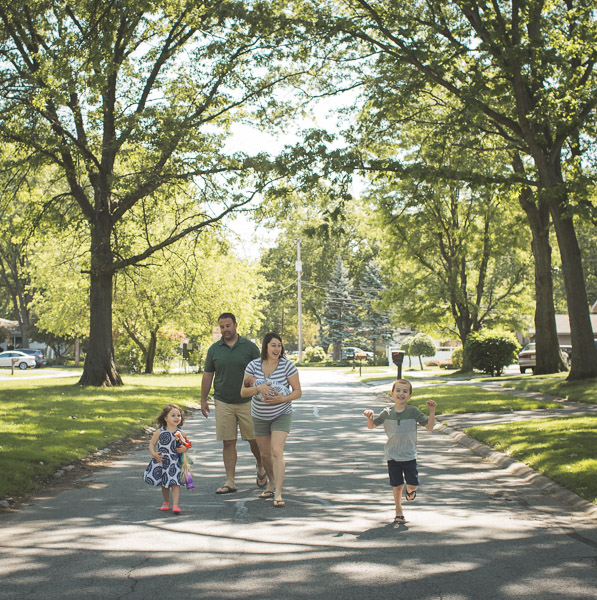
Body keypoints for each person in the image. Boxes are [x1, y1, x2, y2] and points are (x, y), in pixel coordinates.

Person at [201, 312, 267, 494]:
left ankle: (261, 465)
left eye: (228, 326)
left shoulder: (249, 347)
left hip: (248, 401)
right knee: (228, 442)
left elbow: (262, 370)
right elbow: (208, 375)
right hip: (223, 401)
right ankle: (230, 481)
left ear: (236, 325)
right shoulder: (214, 349)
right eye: (222, 327)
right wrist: (203, 399)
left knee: (254, 440)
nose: (225, 330)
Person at [240, 332, 301, 508]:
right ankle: (272, 483)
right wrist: (257, 387)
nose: (277, 349)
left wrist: (281, 399)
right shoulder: (253, 366)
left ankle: (279, 493)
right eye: (273, 345)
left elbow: (297, 391)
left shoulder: (287, 366)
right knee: (264, 454)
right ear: (266, 346)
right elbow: (243, 392)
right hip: (259, 415)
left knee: (276, 451)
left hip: (281, 413)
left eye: (279, 345)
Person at [363, 379, 436, 524]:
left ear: (409, 395)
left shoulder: (413, 411)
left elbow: (429, 426)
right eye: (398, 390)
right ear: (392, 393)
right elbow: (371, 426)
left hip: (409, 455)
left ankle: (410, 492)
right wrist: (369, 417)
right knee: (397, 485)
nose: (401, 394)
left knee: (412, 484)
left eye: (405, 391)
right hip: (392, 456)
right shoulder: (387, 412)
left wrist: (432, 410)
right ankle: (398, 512)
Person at [143, 404, 191, 513]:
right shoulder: (160, 432)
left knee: (175, 482)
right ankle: (166, 501)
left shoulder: (180, 433)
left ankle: (175, 504)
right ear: (165, 418)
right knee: (165, 483)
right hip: (163, 461)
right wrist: (154, 454)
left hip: (175, 462)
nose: (176, 418)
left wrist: (184, 449)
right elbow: (152, 444)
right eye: (173, 415)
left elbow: (187, 444)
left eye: (178, 415)